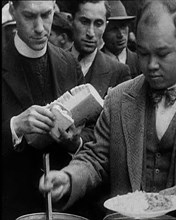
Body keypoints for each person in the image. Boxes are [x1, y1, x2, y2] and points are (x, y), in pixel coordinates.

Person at [39, 0, 176, 220]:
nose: (151, 65)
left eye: (163, 54)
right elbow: (95, 158)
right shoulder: (118, 98)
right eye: (143, 53)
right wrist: (69, 178)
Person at [1, 1, 96, 219]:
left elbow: (94, 134)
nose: (40, 27)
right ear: (13, 11)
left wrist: (75, 143)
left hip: (64, 207)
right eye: (29, 16)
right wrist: (15, 126)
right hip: (11, 207)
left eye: (46, 15)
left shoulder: (69, 63)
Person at [69, 0, 131, 99]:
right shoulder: (54, 62)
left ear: (106, 25)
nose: (91, 33)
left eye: (98, 24)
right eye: (84, 22)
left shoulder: (118, 72)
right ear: (71, 21)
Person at [102, 0, 141, 78]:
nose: (120, 34)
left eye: (123, 26)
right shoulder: (96, 63)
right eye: (113, 29)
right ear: (103, 31)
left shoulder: (139, 62)